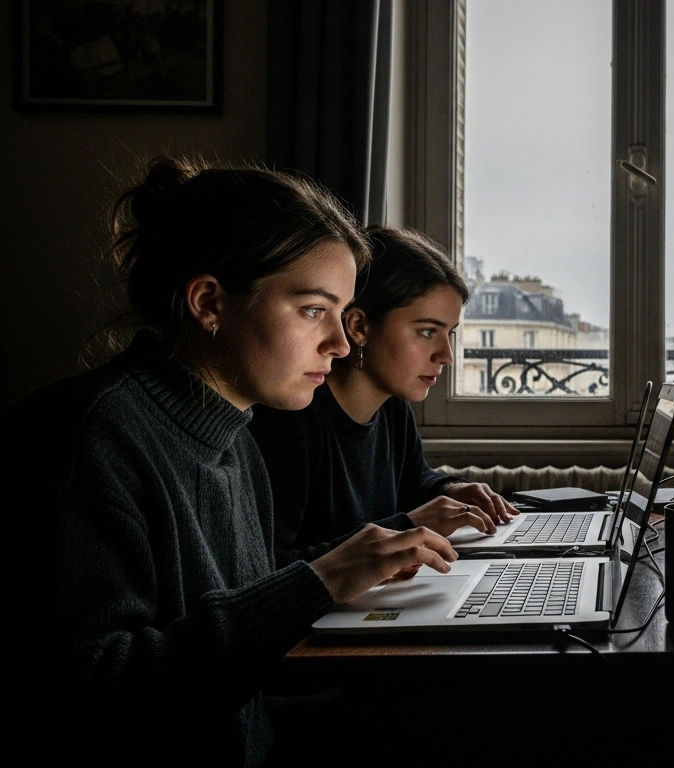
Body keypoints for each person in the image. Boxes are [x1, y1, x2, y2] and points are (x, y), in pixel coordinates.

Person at [4, 157, 460, 765]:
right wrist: (319, 581)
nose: (343, 343)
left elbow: (241, 673)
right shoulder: (90, 439)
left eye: (342, 314)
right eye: (312, 310)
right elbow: (90, 692)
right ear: (210, 302)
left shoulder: (236, 439)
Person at [248, 225, 516, 568]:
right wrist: (406, 527)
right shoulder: (290, 420)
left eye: (448, 333)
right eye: (427, 332)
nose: (446, 355)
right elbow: (267, 569)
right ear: (359, 327)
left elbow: (413, 483)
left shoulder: (391, 407)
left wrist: (447, 490)